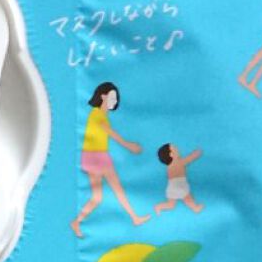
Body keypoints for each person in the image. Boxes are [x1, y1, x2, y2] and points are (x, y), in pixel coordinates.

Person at [70, 82, 149, 236]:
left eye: (116, 98)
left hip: (94, 156)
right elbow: (109, 132)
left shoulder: (100, 114)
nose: (115, 101)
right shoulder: (97, 114)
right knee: (112, 190)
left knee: (100, 196)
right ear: (102, 96)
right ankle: (134, 217)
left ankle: (77, 221)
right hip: (96, 156)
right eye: (112, 97)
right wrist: (128, 145)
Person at [154, 144, 204, 215]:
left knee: (171, 204)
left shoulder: (169, 166)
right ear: (171, 154)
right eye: (175, 148)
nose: (177, 149)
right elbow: (189, 159)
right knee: (188, 198)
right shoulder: (178, 162)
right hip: (180, 185)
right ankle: (195, 208)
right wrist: (195, 154)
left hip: (171, 187)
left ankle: (159, 206)